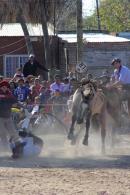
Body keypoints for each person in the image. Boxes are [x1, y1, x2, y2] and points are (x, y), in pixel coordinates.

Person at [0, 80, 24, 158]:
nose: (4, 88)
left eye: (5, 87)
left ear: (7, 88)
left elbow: (16, 102)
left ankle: (19, 148)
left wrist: (23, 107)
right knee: (3, 133)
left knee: (13, 132)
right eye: (2, 87)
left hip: (8, 117)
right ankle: (5, 151)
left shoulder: (10, 95)